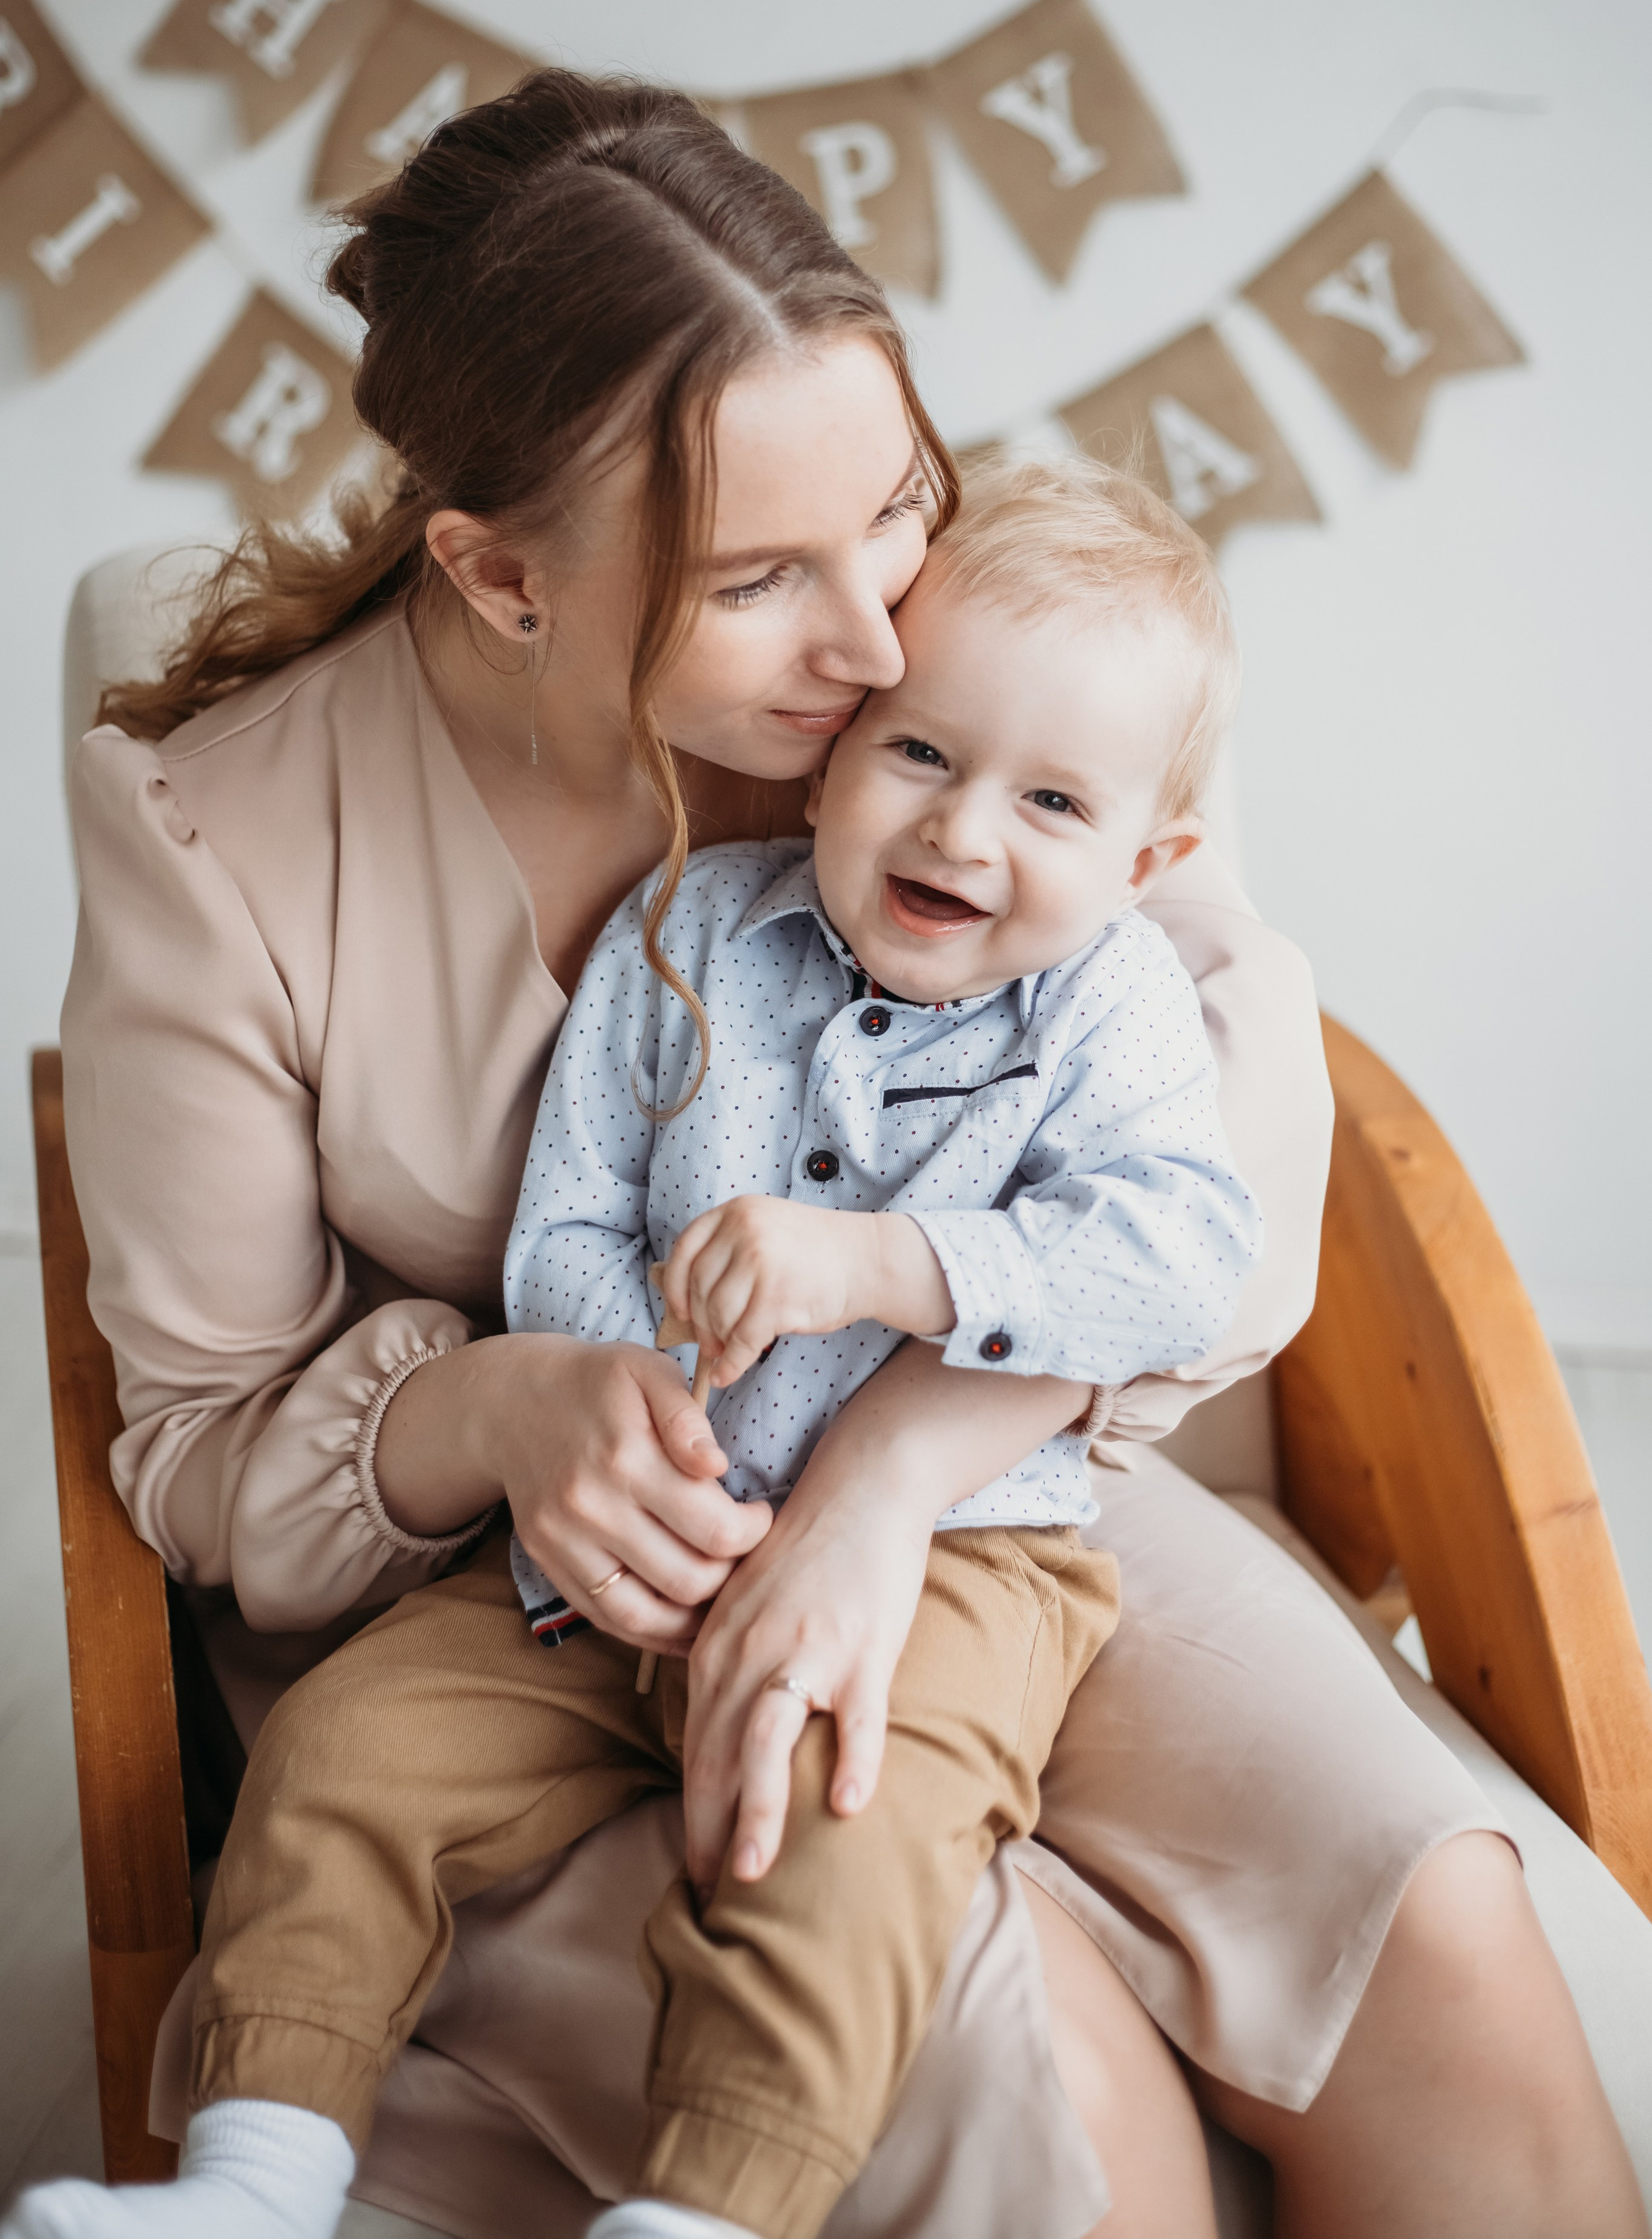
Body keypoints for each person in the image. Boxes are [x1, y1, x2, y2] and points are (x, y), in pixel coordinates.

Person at [15, 70, 1640, 2239]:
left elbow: (1219, 1179)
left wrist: (884, 1483)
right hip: (536, 1590)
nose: (882, 638)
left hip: (994, 1476)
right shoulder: (227, 838)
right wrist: (494, 1404)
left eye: (896, 504)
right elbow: (202, 1457)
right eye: (762, 576)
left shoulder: (956, 675)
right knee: (1012, 2055)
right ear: (502, 576)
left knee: (1432, 1913)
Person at [64, 458, 1260, 2239]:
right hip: (614, 1533)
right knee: (347, 1755)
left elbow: (1179, 1263)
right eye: (921, 755)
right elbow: (566, 1226)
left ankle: (710, 2214)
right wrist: (634, 1408)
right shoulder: (689, 928)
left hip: (941, 1563)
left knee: (829, 1844)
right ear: (838, 748)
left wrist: (884, 1264)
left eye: (1054, 801)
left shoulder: (1116, 1005)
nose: (961, 834)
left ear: (1146, 858)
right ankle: (247, 2180)